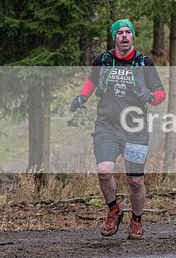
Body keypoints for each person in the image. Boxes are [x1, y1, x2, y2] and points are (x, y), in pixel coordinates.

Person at [70, 19, 166, 239]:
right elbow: (92, 81)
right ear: (115, 37)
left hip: (135, 131)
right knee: (104, 171)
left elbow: (160, 94)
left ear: (133, 36)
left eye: (128, 32)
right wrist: (82, 96)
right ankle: (114, 210)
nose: (124, 36)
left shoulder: (144, 63)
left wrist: (150, 97)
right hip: (107, 127)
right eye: (120, 33)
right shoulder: (103, 60)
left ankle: (137, 220)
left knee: (135, 181)